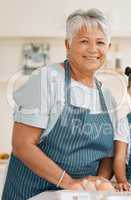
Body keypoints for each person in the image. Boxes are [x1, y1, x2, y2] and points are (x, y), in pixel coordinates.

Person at [2, 8, 116, 200]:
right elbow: (22, 144)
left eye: (100, 42)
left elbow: (108, 155)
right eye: (84, 41)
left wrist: (98, 181)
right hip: (32, 194)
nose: (93, 49)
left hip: (77, 196)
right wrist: (68, 182)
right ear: (67, 44)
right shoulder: (46, 79)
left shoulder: (107, 97)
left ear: (108, 48)